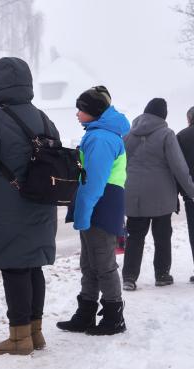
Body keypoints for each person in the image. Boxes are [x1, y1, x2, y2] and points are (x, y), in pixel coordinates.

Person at [0, 57, 59, 356]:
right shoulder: (43, 118)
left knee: (15, 268)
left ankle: (19, 339)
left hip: (8, 207)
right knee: (32, 268)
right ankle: (35, 332)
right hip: (42, 204)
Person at [57, 86, 130, 336]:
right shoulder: (100, 134)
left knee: (103, 263)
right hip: (102, 202)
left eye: (82, 109)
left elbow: (94, 182)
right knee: (90, 263)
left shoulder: (101, 139)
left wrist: (83, 213)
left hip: (101, 204)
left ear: (94, 111)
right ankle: (86, 314)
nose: (77, 113)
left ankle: (113, 317)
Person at [122, 99, 194, 290]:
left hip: (134, 194)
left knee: (135, 235)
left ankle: (129, 277)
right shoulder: (166, 134)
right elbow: (178, 166)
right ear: (163, 115)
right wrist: (191, 190)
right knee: (162, 234)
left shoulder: (129, 135)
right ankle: (162, 274)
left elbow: (121, 164)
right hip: (161, 194)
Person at [177, 106, 194, 283]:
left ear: (189, 118)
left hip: (191, 193)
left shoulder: (182, 136)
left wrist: (181, 190)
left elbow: (178, 167)